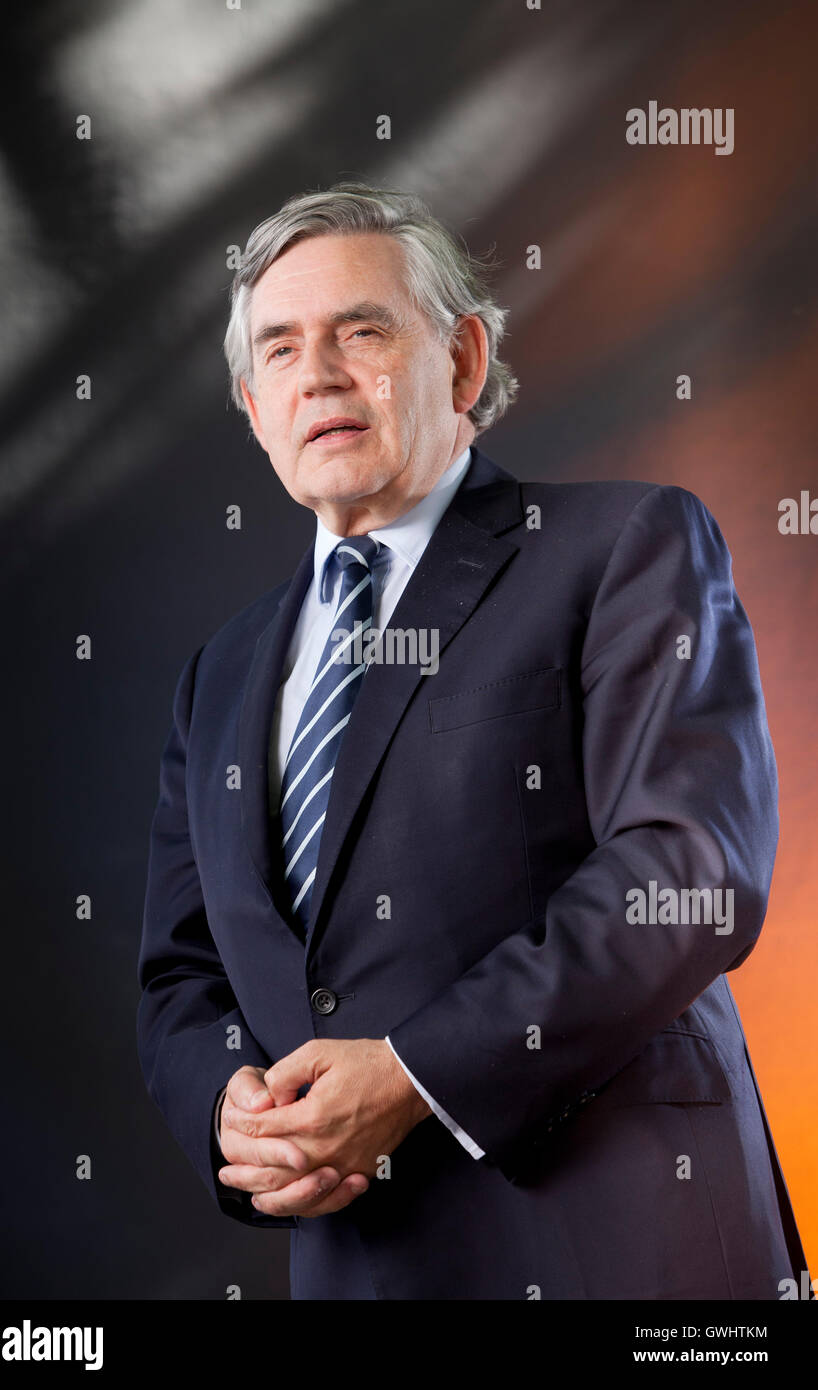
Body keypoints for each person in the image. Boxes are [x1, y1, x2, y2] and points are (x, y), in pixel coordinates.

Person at [137, 181, 809, 1300]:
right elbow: (180, 972)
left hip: (631, 1252)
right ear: (253, 406)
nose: (319, 374)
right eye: (280, 349)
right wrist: (227, 1110)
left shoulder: (621, 547)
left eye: (361, 331)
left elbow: (689, 871)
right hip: (364, 1266)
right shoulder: (217, 675)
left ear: (460, 360)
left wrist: (412, 1073)